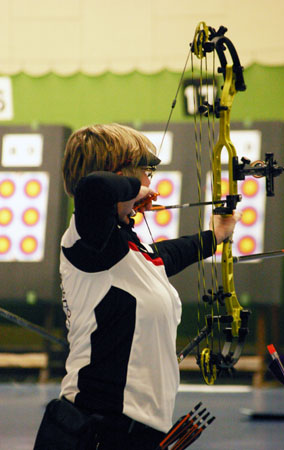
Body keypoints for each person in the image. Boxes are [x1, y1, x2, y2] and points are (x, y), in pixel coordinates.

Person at [35, 123, 241, 450]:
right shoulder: (86, 242)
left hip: (138, 430)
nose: (149, 182)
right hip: (98, 428)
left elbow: (164, 257)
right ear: (120, 175)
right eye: (145, 172)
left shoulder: (125, 248)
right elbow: (91, 188)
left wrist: (214, 236)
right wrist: (136, 190)